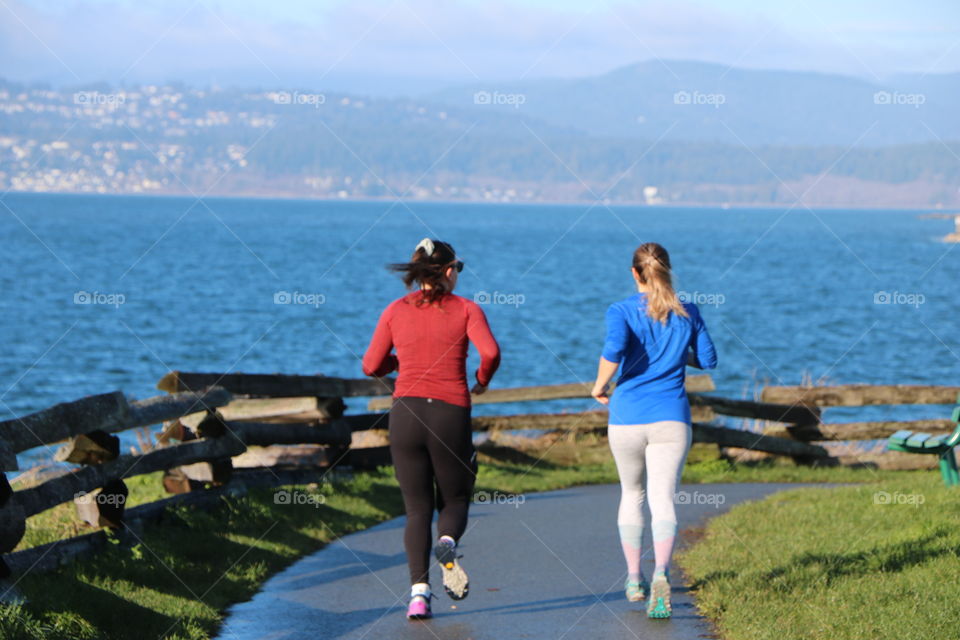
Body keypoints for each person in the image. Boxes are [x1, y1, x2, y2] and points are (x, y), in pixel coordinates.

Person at [362, 238, 501, 620]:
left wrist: (399, 362)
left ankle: (418, 596)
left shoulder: (394, 310)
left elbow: (370, 365)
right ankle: (447, 542)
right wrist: (482, 379)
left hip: (405, 414)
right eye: (459, 267)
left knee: (416, 509)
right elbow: (490, 352)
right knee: (455, 499)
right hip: (449, 413)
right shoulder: (467, 309)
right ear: (449, 270)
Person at [590, 242, 717, 620]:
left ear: (635, 273)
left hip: (627, 417)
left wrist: (598, 387)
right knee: (664, 498)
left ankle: (633, 578)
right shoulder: (689, 312)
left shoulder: (621, 311)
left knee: (632, 493)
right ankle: (662, 573)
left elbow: (614, 350)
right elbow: (709, 360)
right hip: (671, 419)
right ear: (667, 270)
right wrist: (678, 352)